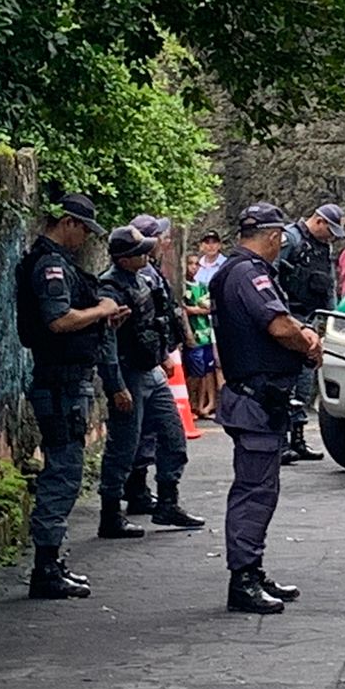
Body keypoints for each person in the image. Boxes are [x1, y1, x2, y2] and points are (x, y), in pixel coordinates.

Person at [210, 203, 322, 615]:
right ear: (274, 237)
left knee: (260, 488)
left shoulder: (236, 271)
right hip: (256, 399)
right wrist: (308, 341)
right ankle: (243, 578)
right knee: (255, 492)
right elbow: (277, 325)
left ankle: (252, 570)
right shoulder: (248, 272)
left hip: (258, 397)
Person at [13, 193, 125, 599]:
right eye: (82, 229)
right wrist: (101, 310)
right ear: (67, 223)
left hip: (65, 379)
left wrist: (101, 314)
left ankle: (51, 562)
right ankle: (45, 568)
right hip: (59, 382)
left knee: (66, 468)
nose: (84, 240)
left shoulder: (54, 263)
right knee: (62, 470)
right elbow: (59, 320)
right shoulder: (51, 265)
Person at [95, 227, 202, 536]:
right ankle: (111, 513)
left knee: (172, 435)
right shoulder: (110, 288)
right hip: (129, 373)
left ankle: (168, 502)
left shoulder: (143, 279)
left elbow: (155, 322)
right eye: (139, 251)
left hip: (150, 369)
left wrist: (164, 354)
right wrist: (116, 386)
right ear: (124, 257)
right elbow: (107, 343)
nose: (146, 254)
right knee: (124, 447)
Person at [275, 202, 345, 464]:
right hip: (289, 319)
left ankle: (298, 439)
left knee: (304, 383)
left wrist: (333, 318)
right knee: (285, 383)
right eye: (331, 230)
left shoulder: (322, 247)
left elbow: (328, 286)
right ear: (319, 222)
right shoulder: (290, 240)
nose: (332, 237)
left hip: (309, 318)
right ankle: (280, 442)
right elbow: (273, 276)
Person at [183, 252, 218, 418]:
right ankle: (189, 404)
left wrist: (194, 309)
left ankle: (199, 406)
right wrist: (196, 310)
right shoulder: (183, 286)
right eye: (190, 264)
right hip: (193, 335)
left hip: (205, 334)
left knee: (205, 371)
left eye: (197, 264)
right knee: (194, 371)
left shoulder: (202, 285)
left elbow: (209, 305)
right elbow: (183, 309)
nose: (193, 267)